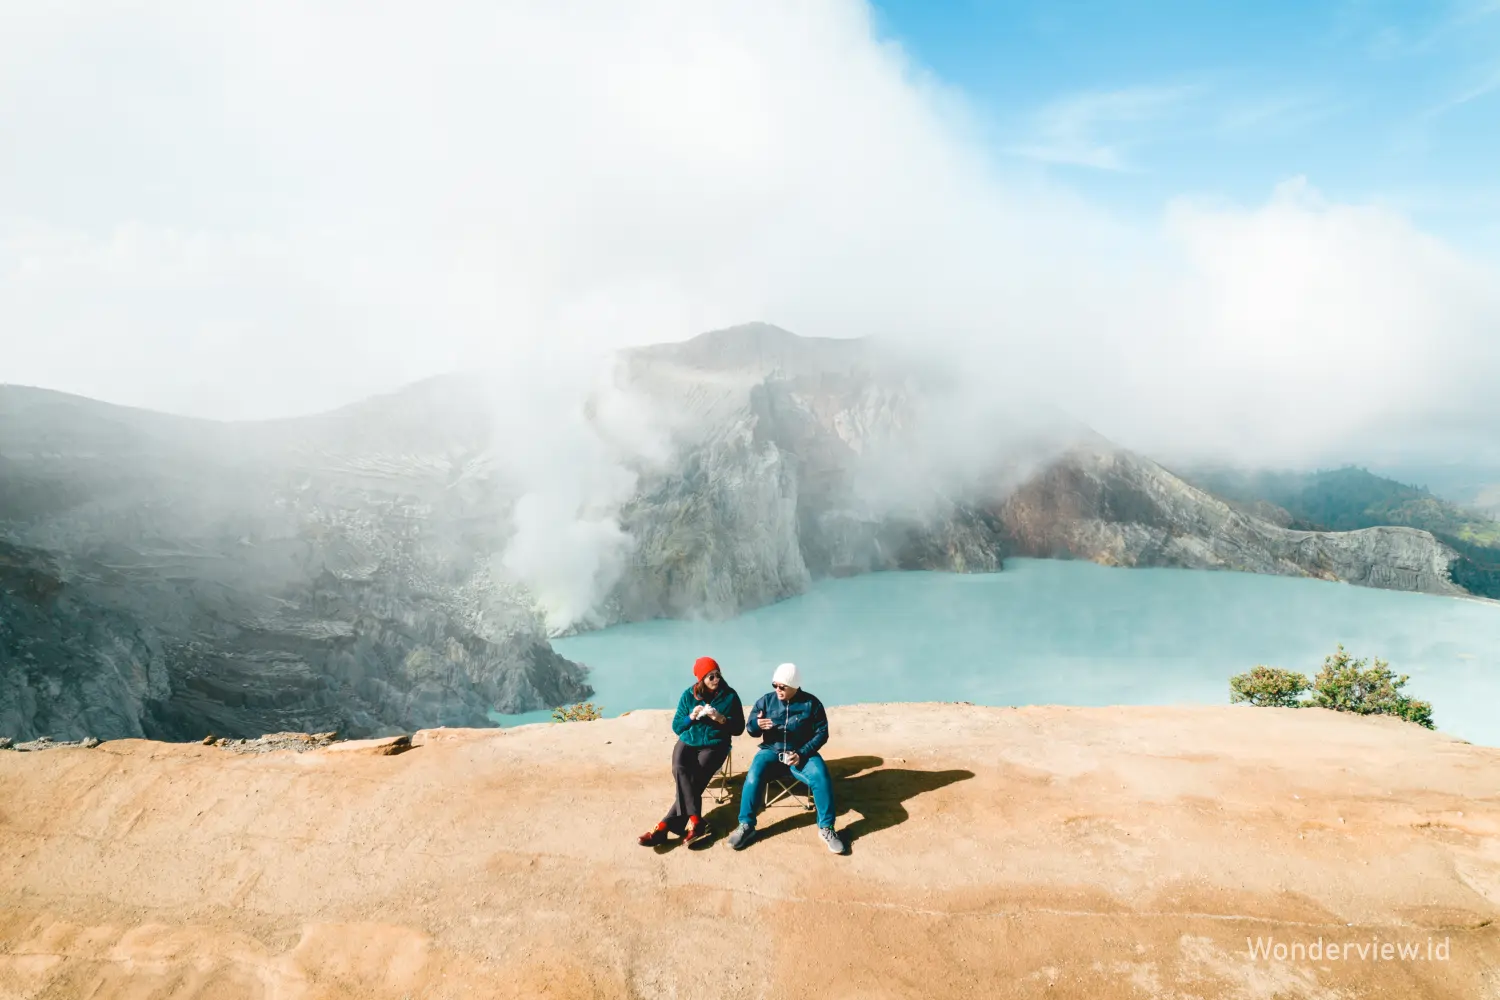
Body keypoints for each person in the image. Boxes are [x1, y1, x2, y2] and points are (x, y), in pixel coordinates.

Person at [727, 662, 846, 854]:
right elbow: (750, 729)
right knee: (753, 775)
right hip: (771, 752)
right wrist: (757, 725)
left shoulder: (811, 704)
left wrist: (803, 753)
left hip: (801, 754)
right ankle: (746, 826)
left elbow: (822, 733)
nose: (777, 690)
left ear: (795, 686)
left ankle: (827, 828)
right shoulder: (765, 701)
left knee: (821, 776)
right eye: (775, 685)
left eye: (782, 687)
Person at [638, 656, 745, 848]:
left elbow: (738, 728)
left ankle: (664, 826)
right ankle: (696, 820)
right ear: (700, 678)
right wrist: (691, 717)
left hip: (715, 744)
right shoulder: (689, 695)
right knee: (679, 768)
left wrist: (721, 719)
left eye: (718, 675)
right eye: (710, 676)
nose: (716, 679)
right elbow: (677, 726)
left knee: (695, 779)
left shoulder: (730, 696)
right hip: (689, 740)